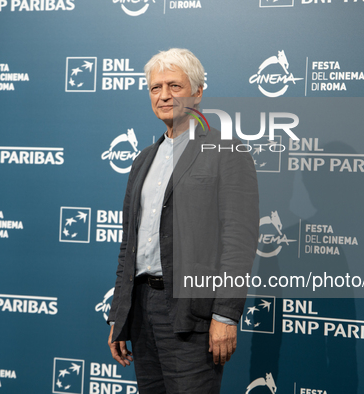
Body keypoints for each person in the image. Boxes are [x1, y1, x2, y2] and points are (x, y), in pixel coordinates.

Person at [107, 48, 259, 394]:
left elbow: (239, 240)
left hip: (193, 313)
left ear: (198, 92)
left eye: (174, 85)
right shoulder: (142, 160)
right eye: (155, 87)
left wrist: (225, 315)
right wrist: (119, 314)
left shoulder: (226, 151)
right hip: (142, 310)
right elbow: (128, 246)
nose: (164, 95)